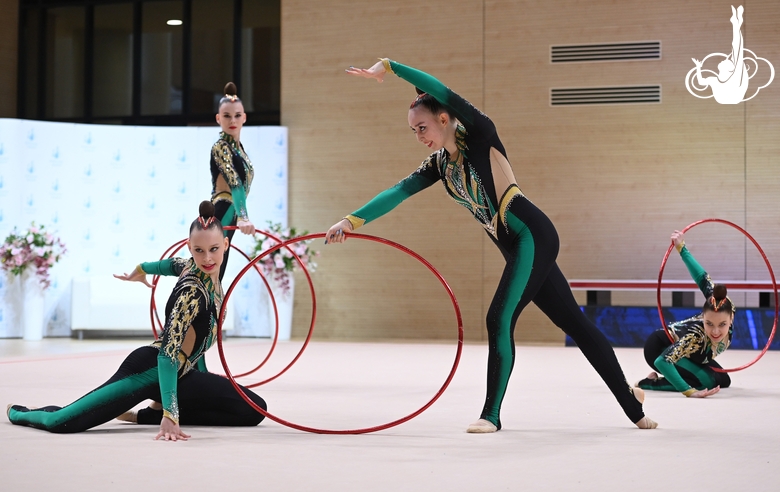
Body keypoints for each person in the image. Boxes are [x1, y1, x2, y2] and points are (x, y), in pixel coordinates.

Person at [325, 58, 655, 432]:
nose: (419, 135)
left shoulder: (480, 133)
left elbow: (441, 88)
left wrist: (389, 66)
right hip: (514, 247)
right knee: (575, 323)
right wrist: (350, 220)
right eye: (413, 131)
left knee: (499, 317)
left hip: (533, 234)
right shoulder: (439, 165)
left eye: (422, 127)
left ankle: (491, 415)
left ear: (444, 118)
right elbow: (398, 191)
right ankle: (633, 405)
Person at [6, 201, 267, 440]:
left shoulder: (196, 269)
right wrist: (171, 414)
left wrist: (140, 270)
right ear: (190, 247)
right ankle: (20, 412)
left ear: (226, 245)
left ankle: (146, 415)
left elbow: (164, 266)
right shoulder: (192, 291)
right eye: (199, 250)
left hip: (182, 374)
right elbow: (167, 356)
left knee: (254, 411)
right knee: (62, 422)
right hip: (149, 370)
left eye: (213, 249)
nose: (207, 258)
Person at [636, 230, 733, 397]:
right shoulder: (695, 336)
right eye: (709, 323)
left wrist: (681, 247)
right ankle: (649, 383)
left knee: (723, 380)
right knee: (707, 382)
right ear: (703, 316)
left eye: (722, 325)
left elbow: (703, 278)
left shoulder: (722, 305)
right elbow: (663, 360)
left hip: (694, 352)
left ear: (731, 318)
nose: (716, 331)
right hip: (660, 348)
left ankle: (671, 377)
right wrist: (689, 391)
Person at [211, 82, 256, 280]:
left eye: (237, 115)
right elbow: (235, 184)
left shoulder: (240, 150)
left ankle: (213, 308)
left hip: (232, 211)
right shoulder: (221, 147)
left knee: (217, 270)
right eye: (227, 116)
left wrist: (241, 215)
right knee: (211, 270)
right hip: (223, 210)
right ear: (218, 119)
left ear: (244, 117)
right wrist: (243, 216)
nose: (233, 120)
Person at [691, 5, 749, 104]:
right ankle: (736, 23)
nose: (724, 59)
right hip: (731, 96)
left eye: (726, 61)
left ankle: (736, 23)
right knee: (737, 52)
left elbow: (701, 82)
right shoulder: (728, 78)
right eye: (728, 60)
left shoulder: (717, 80)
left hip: (731, 95)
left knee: (737, 51)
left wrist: (698, 67)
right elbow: (737, 50)